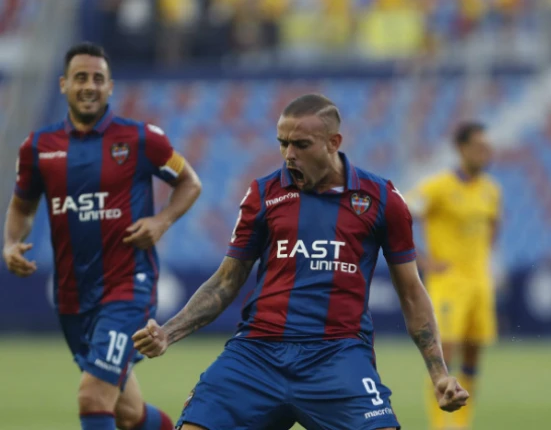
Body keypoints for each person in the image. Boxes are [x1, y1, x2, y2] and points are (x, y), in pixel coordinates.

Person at [131, 93, 469, 430]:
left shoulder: (381, 199)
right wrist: (167, 333)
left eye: (301, 144)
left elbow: (411, 292)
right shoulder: (264, 193)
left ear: (333, 142)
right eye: (283, 143)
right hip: (257, 353)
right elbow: (226, 281)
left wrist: (439, 374)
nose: (289, 154)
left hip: (337, 356)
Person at [2, 42, 201, 430]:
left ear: (110, 86)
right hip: (73, 296)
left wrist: (161, 221)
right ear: (64, 84)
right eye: (80, 78)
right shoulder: (38, 148)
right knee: (128, 413)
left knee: (93, 397)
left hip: (127, 288)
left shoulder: (142, 139)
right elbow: (22, 208)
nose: (89, 86)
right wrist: (11, 243)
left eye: (98, 78)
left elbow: (189, 182)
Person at [405, 122, 501, 430]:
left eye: (487, 147)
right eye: (478, 147)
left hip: (480, 284)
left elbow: (494, 225)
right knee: (444, 357)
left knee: (473, 356)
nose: (485, 153)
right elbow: (401, 214)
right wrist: (422, 259)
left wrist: (485, 257)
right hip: (448, 285)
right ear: (461, 149)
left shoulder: (491, 190)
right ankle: (441, 424)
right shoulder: (438, 187)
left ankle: (461, 423)